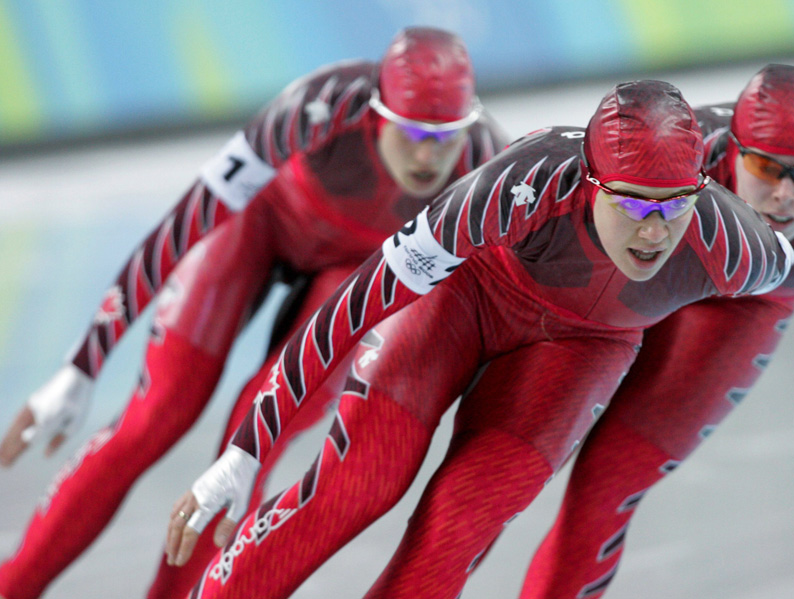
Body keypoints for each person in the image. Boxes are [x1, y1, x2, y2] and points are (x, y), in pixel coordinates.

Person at [163, 79, 794, 599]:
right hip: (467, 297)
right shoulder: (516, 186)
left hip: (584, 347)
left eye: (673, 206)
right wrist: (244, 452)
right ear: (588, 184)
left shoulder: (740, 249)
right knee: (356, 483)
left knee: (457, 527)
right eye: (631, 204)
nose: (654, 232)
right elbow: (350, 308)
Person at [0, 26, 507, 599]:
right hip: (261, 225)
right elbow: (189, 216)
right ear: (377, 112)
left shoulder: (485, 163)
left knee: (252, 451)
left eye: (444, 137)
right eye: (412, 132)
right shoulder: (320, 106)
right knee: (155, 415)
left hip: (357, 274)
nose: (427, 155)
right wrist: (84, 364)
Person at [517, 64, 794, 599]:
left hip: (744, 310)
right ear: (731, 154)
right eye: (767, 168)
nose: (786, 195)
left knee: (608, 484)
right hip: (643, 279)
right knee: (509, 467)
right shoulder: (679, 153)